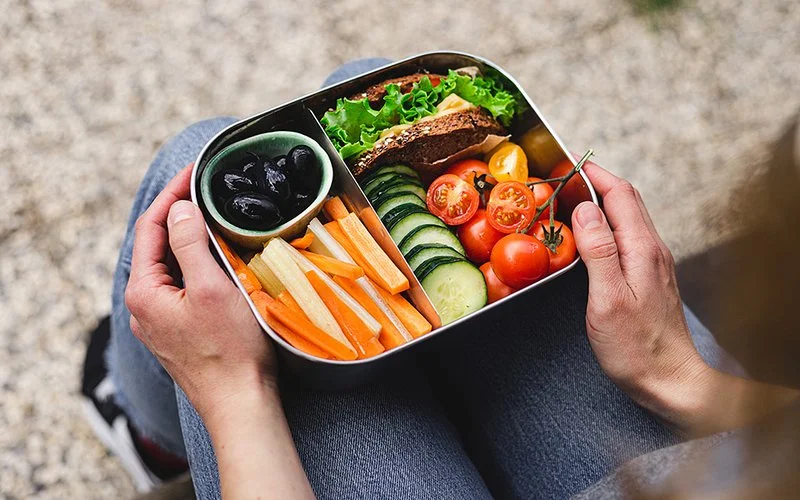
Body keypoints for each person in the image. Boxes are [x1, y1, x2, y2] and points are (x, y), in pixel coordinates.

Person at [81, 59, 799, 499]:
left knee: (192, 153)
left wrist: (236, 395)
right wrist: (682, 377)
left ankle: (151, 439)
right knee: (362, 72)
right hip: (730, 464)